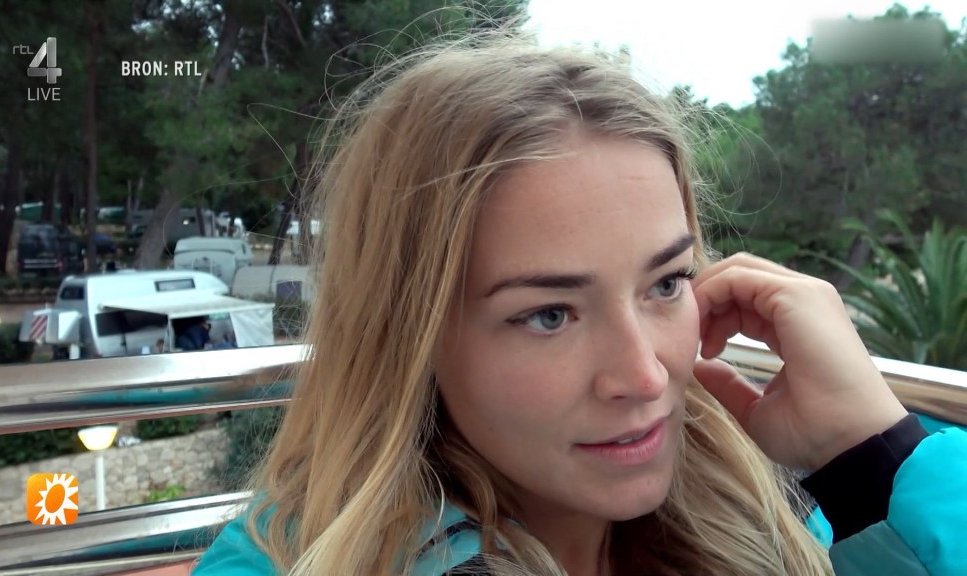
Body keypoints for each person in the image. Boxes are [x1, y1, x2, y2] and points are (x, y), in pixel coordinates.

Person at [193, 32, 966, 576]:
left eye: (666, 284)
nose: (645, 376)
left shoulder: (782, 515)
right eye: (549, 315)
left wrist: (873, 459)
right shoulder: (297, 562)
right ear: (411, 334)